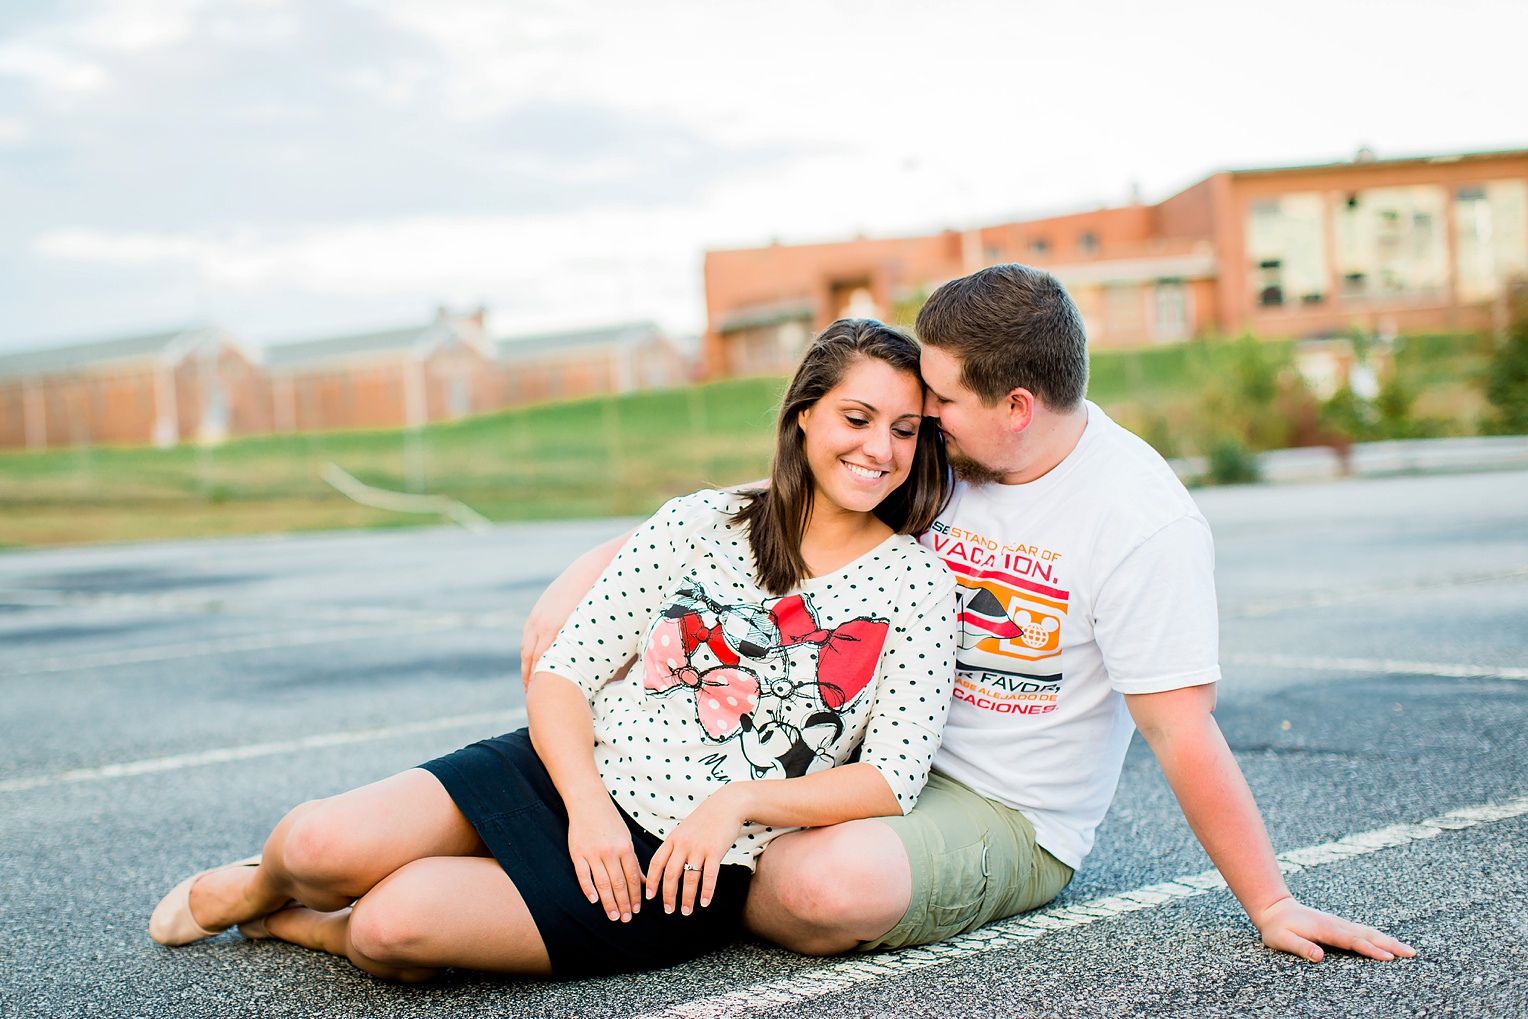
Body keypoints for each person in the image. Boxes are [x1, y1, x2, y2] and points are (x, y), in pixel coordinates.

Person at [522, 264, 1416, 965]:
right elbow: (798, 489)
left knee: (813, 883)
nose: (921, 418)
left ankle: (623, 896)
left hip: (1003, 807)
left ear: (1016, 407)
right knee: (673, 778)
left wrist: (1270, 902)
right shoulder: (953, 458)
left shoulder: (1141, 523)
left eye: (939, 400)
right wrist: (593, 564)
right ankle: (598, 867)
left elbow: (1183, 733)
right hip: (862, 751)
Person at [148, 319, 958, 981]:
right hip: (568, 774)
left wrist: (737, 804)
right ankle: (257, 886)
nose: (880, 450)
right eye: (858, 418)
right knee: (319, 846)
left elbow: (891, 776)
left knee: (391, 928)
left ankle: (301, 924)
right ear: (805, 414)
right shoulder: (703, 522)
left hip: (675, 865)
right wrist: (587, 806)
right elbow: (565, 671)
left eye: (905, 429)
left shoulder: (917, 586)